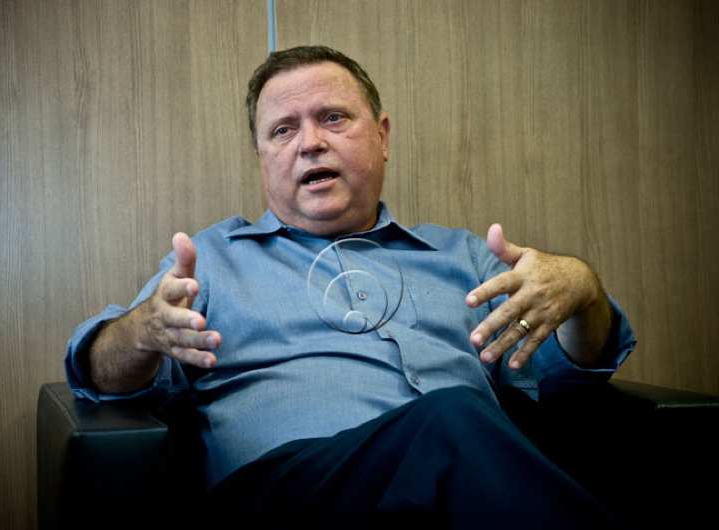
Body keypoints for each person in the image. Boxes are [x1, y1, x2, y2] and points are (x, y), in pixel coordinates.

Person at [66, 45, 635, 528]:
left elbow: (569, 375)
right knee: (450, 417)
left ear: (382, 136)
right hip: (285, 494)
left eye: (333, 118)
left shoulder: (464, 257)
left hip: (456, 492)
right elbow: (100, 376)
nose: (309, 143)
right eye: (283, 130)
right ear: (261, 158)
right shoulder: (211, 260)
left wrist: (581, 290)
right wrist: (140, 331)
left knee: (455, 427)